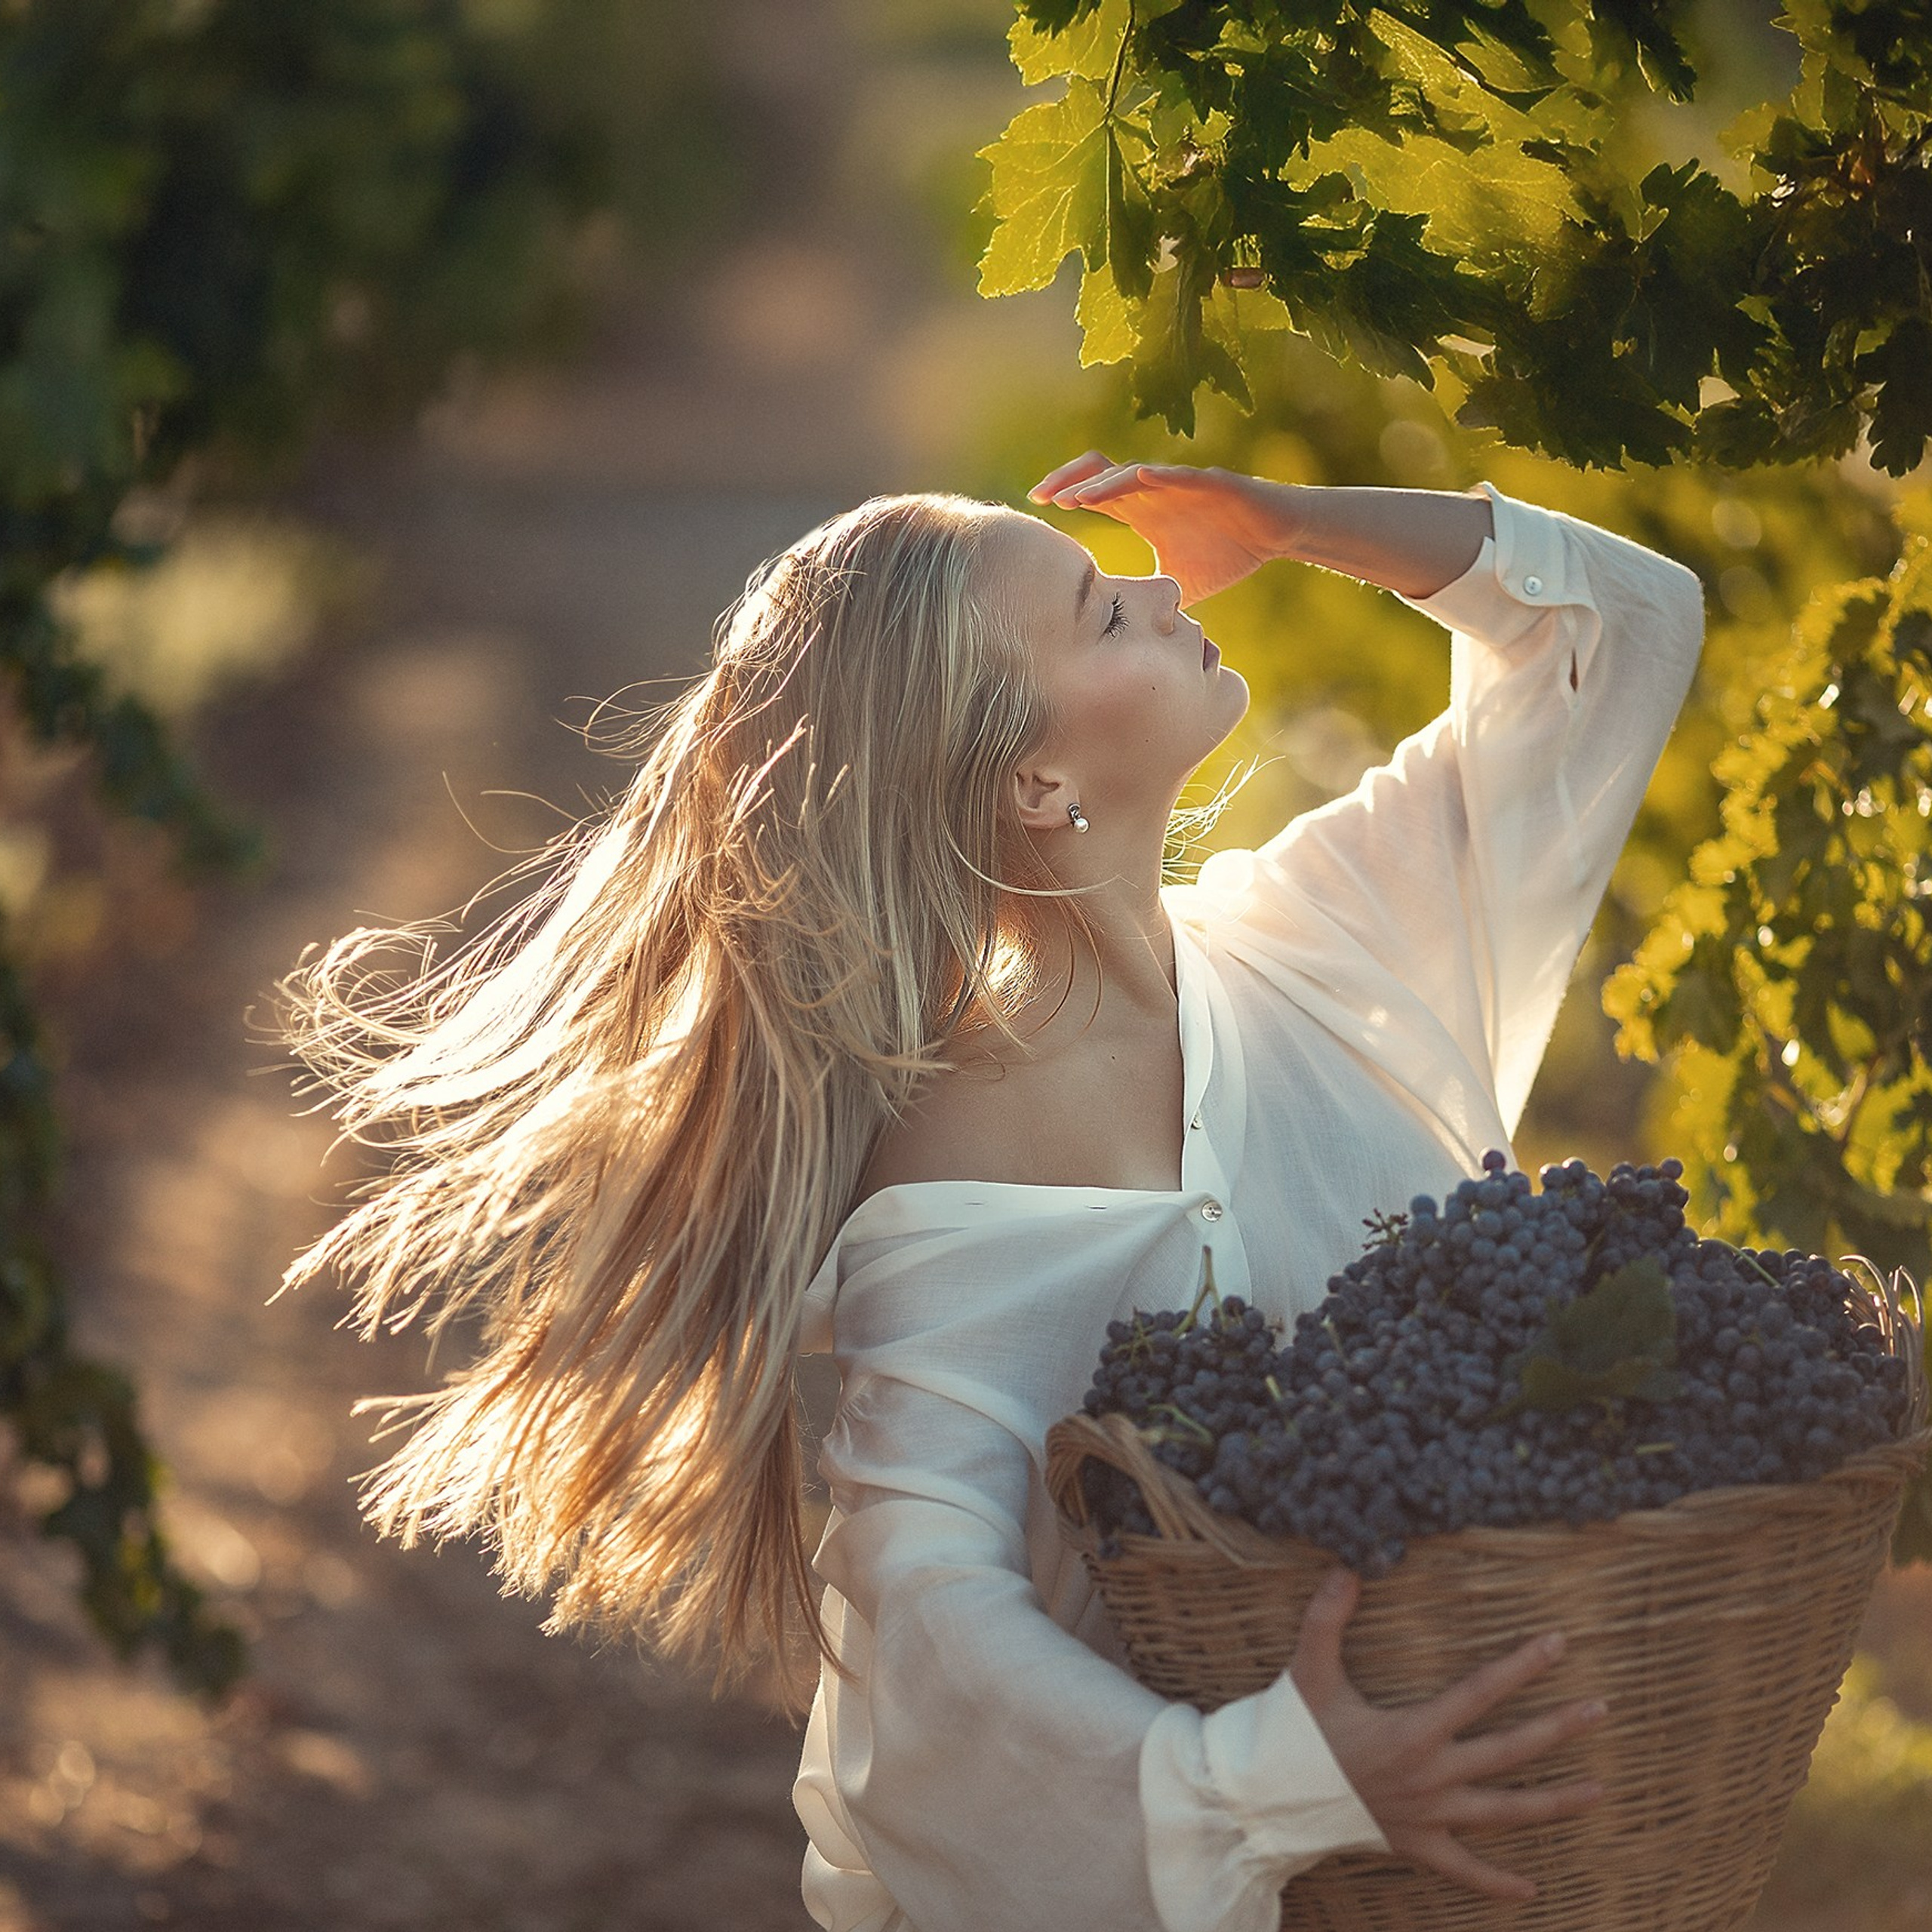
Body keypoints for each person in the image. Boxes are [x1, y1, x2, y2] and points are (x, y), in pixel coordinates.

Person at [272, 453, 1706, 1932]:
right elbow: (932, 1642)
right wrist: (1272, 1779)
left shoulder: (1318, 945)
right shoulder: (959, 1182)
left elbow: (1617, 629)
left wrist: (1292, 518)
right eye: (1099, 614)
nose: (1160, 588)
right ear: (1035, 779)